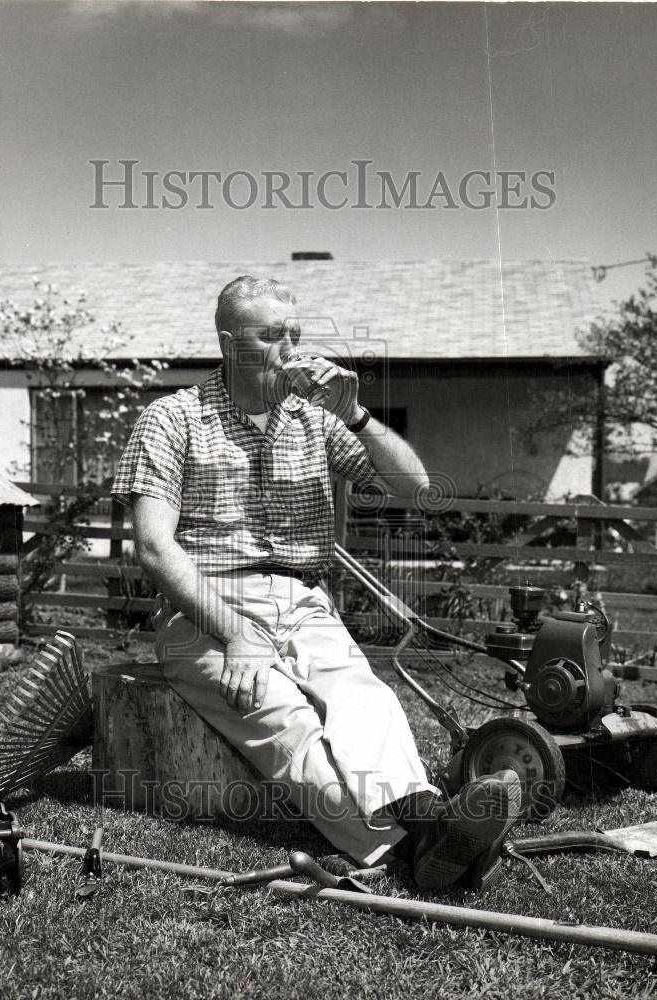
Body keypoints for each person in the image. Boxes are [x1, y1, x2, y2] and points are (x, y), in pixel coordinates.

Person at [111, 275, 522, 890]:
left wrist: (355, 415)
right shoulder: (173, 419)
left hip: (303, 600)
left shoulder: (315, 420)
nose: (290, 348)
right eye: (271, 335)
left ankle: (430, 824)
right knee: (287, 720)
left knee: (367, 698)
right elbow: (153, 546)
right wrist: (237, 634)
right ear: (229, 343)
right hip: (206, 606)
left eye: (295, 334)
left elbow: (417, 488)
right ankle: (410, 849)